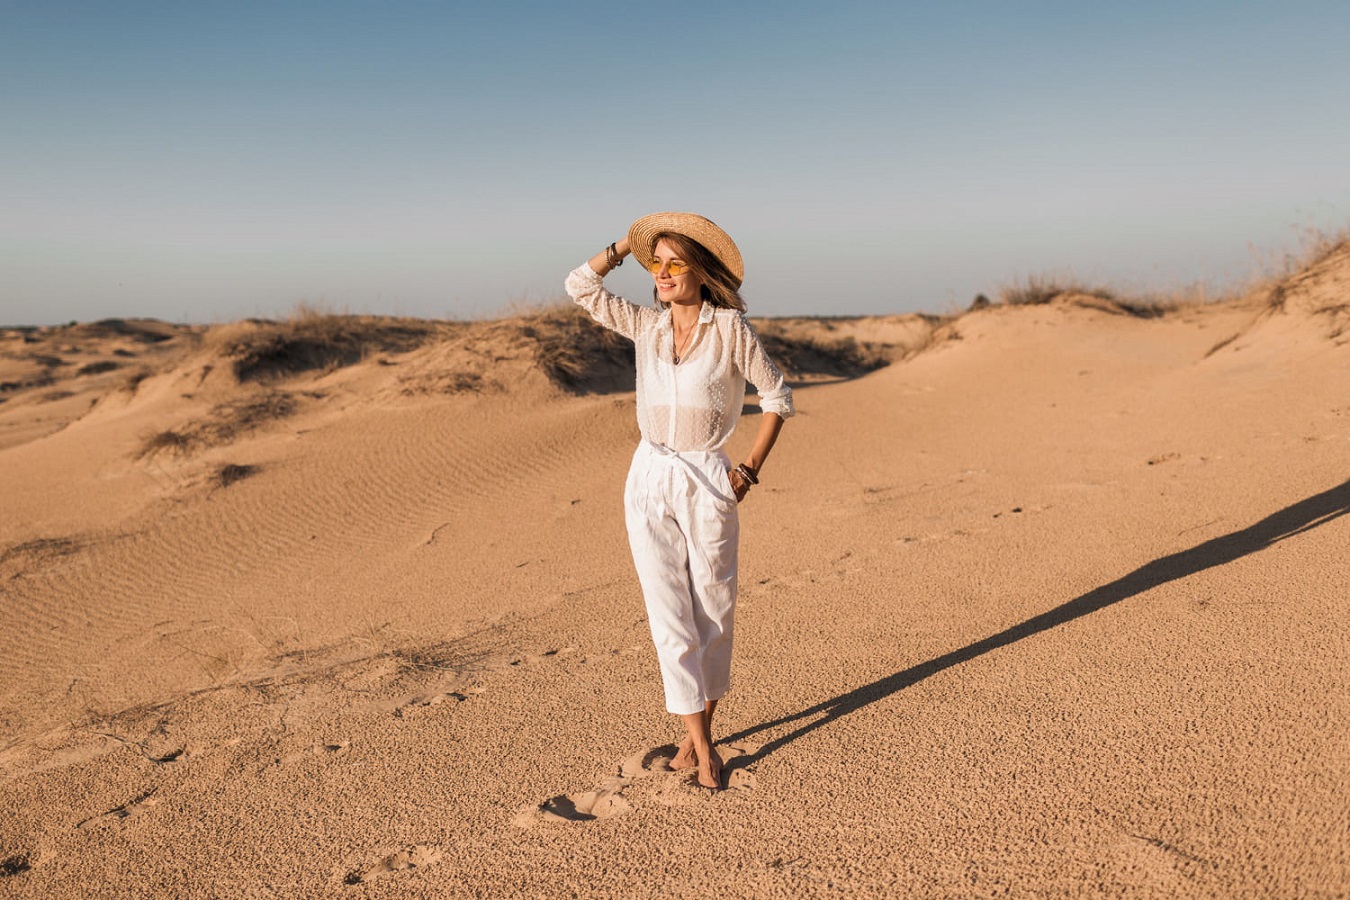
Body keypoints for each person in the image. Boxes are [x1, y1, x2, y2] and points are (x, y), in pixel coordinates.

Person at [564, 212, 794, 789]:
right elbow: (579, 287)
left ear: (700, 271)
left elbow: (777, 397)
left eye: (674, 263)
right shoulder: (646, 325)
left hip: (708, 478)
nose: (662, 273)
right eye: (655, 264)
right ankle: (703, 744)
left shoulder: (729, 329)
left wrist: (747, 472)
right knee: (670, 615)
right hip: (648, 474)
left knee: (712, 613)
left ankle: (695, 734)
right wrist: (625, 245)